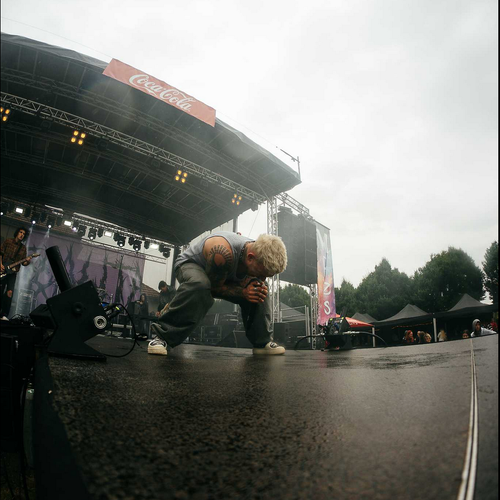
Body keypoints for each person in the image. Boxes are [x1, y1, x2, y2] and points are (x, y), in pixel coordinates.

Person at [148, 232, 287, 356]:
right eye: (262, 273)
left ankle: (262, 342)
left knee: (260, 288)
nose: (263, 278)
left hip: (221, 274)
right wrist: (243, 292)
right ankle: (162, 337)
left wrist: (251, 289)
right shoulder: (222, 253)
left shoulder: (258, 252)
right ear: (250, 258)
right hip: (191, 265)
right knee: (201, 285)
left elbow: (238, 282)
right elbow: (213, 289)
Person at [0, 227, 32, 319]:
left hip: (13, 273)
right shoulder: (8, 241)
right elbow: (0, 253)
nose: (22, 235)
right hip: (3, 269)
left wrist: (27, 261)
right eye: (20, 232)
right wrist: (0, 264)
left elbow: (23, 263)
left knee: (10, 292)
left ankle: (4, 314)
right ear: (17, 233)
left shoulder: (23, 248)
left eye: (24, 234)